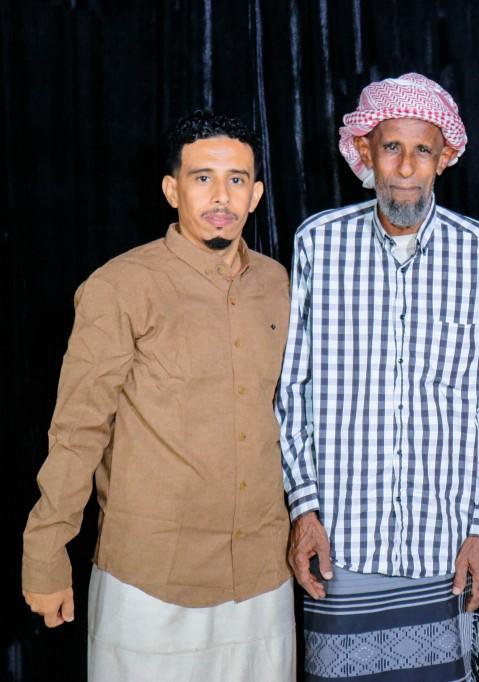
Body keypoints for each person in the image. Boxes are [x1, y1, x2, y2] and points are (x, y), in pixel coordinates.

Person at [21, 110, 295, 680]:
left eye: (236, 179)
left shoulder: (277, 285)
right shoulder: (120, 287)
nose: (220, 196)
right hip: (151, 580)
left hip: (261, 576)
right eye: (202, 178)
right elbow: (78, 431)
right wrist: (45, 554)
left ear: (256, 194)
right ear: (172, 190)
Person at [277, 73, 479, 681]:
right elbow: (292, 390)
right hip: (340, 542)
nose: (406, 167)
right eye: (391, 148)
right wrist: (304, 510)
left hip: (446, 544)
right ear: (365, 150)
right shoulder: (318, 244)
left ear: (445, 157)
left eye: (423, 150)